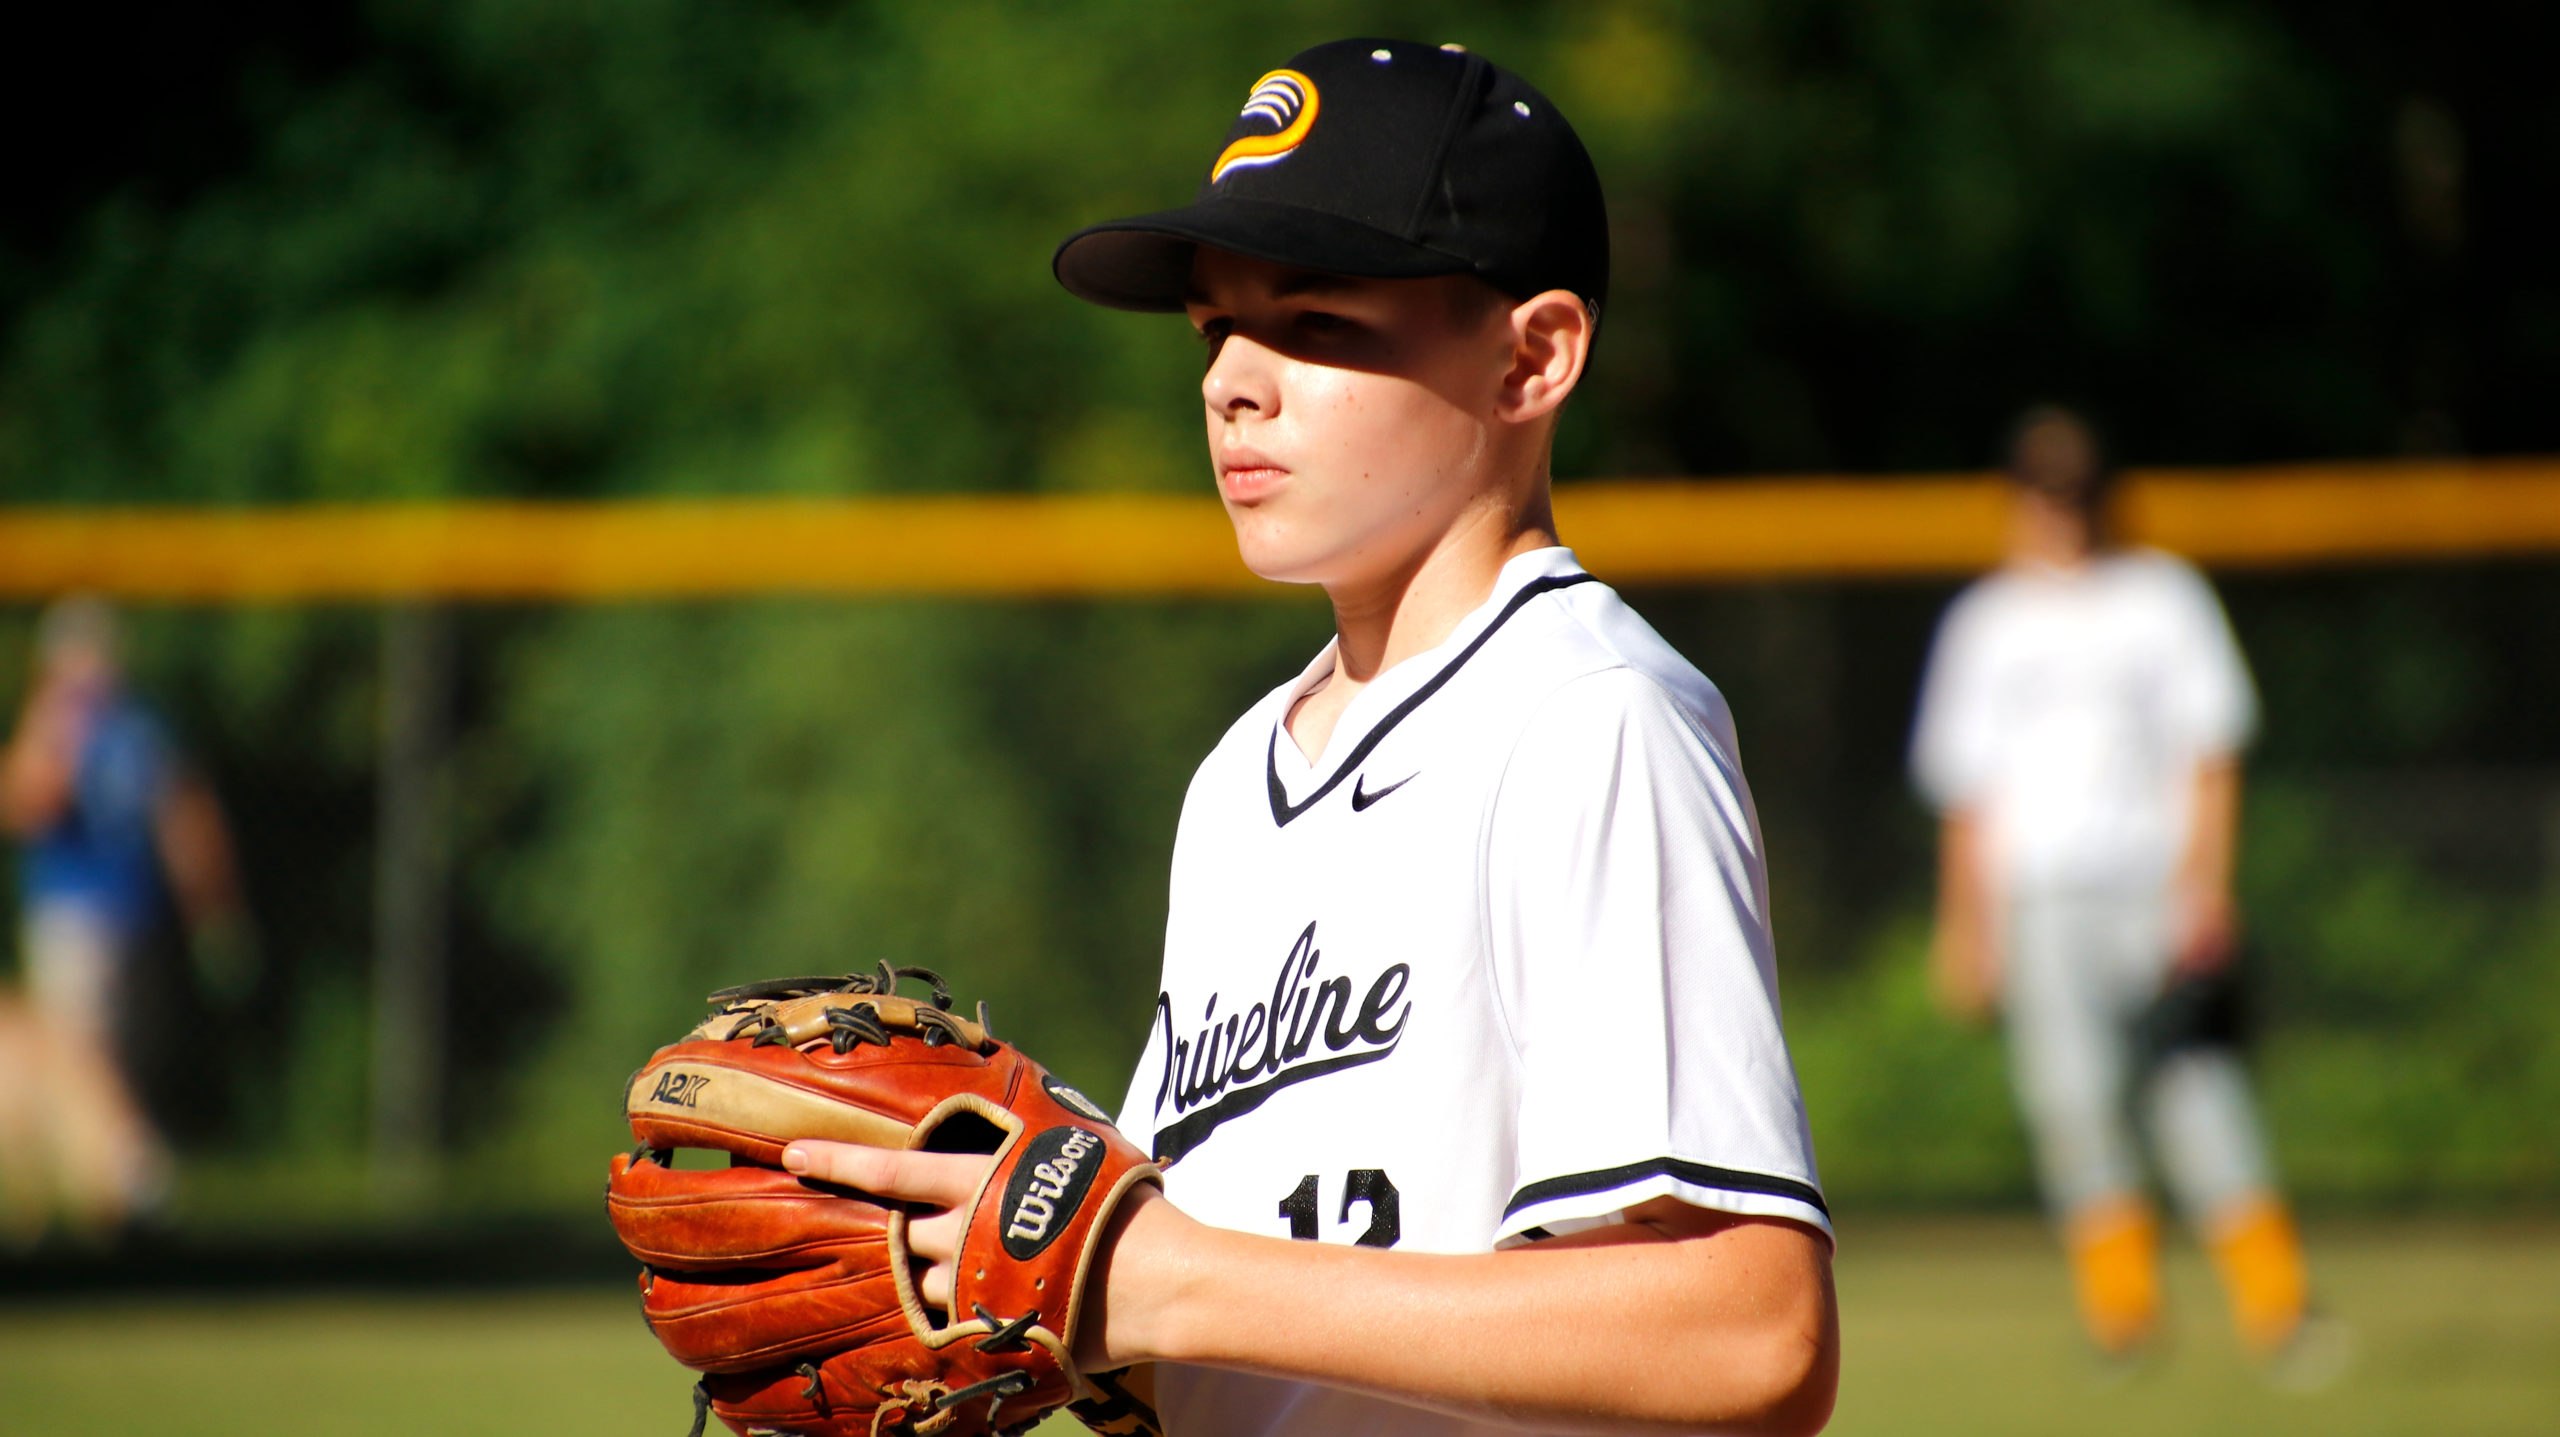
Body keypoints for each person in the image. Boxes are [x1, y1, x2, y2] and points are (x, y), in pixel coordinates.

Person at [782, 39, 1838, 1436]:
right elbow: (1207, 1328)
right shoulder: (1237, 781)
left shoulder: (1587, 722)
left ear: (1535, 357)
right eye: (1214, 326)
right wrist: (997, 1274)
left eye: (1318, 322)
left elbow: (1749, 1330)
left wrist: (1168, 1285)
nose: (1234, 381)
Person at [1908, 406, 2324, 1375]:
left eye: (2075, 491)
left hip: (2149, 887)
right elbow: (1965, 794)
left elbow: (2210, 752)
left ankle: (2278, 1310)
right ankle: (2123, 1317)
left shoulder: (2158, 596)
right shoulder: (1985, 621)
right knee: (2072, 1104)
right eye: (2042, 492)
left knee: (2196, 1091)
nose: (2060, 511)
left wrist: (2207, 889)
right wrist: (1965, 928)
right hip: (2040, 901)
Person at [1, 596, 251, 1234]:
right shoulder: (107, 726)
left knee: (99, 1066)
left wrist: (209, 910)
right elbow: (187, 824)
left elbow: (40, 800)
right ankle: (123, 1192)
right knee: (90, 1062)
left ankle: (125, 1191)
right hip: (107, 920)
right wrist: (212, 910)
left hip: (109, 917)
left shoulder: (108, 724)